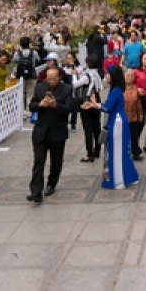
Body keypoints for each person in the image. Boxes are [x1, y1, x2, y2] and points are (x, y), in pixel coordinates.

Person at [26, 66, 74, 203]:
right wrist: (40, 104)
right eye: (49, 79)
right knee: (38, 161)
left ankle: (52, 183)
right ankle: (36, 191)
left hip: (57, 131)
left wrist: (55, 105)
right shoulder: (40, 87)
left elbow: (70, 108)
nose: (51, 81)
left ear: (59, 77)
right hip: (41, 131)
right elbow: (32, 105)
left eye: (54, 79)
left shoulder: (67, 89)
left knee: (56, 161)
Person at [100, 66, 140, 189]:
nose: (106, 76)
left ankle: (118, 179)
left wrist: (95, 104)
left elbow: (108, 107)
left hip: (117, 122)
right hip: (117, 120)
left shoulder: (116, 91)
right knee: (119, 150)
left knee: (117, 151)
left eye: (108, 74)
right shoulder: (116, 90)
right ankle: (126, 176)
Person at [76, 54, 105, 163]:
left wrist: (75, 75)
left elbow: (75, 84)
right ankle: (97, 150)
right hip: (96, 99)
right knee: (96, 127)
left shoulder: (86, 76)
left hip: (87, 101)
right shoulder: (97, 74)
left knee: (87, 129)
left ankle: (90, 153)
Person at [123, 69, 146, 162]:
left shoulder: (136, 89)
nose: (130, 78)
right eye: (128, 75)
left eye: (132, 76)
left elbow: (138, 103)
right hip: (124, 116)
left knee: (134, 136)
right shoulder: (120, 89)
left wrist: (140, 114)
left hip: (134, 116)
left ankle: (135, 153)